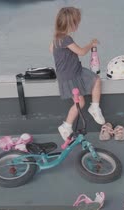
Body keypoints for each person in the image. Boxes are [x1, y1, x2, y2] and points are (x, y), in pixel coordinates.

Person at [50, 7, 105, 141]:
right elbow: (81, 52)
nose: (78, 25)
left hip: (72, 73)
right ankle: (69, 124)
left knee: (86, 93)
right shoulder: (66, 39)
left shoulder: (56, 39)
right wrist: (91, 44)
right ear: (71, 24)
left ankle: (90, 110)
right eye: (77, 22)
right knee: (89, 90)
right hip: (72, 75)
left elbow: (52, 50)